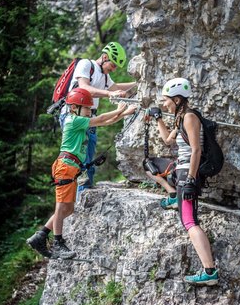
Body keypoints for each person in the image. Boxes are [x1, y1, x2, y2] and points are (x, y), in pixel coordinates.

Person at [27, 88, 137, 259]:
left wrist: (125, 113)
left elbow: (104, 122)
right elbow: (100, 118)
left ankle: (40, 236)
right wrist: (120, 109)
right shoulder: (73, 120)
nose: (89, 111)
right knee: (62, 206)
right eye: (86, 108)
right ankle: (58, 243)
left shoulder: (80, 119)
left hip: (72, 168)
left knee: (69, 209)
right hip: (65, 167)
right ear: (74, 108)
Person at [147, 78, 219, 286]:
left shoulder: (189, 117)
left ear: (177, 99)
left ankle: (209, 271)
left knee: (189, 222)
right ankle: (174, 198)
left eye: (166, 100)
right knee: (149, 165)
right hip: (181, 172)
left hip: (188, 174)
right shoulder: (180, 118)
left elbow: (196, 149)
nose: (164, 104)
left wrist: (190, 179)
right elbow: (168, 141)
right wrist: (158, 119)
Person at [59, 42, 137, 194]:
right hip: (74, 114)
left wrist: (138, 83)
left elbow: (118, 88)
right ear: (105, 56)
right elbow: (84, 88)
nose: (113, 69)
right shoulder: (86, 65)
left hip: (89, 116)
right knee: (78, 156)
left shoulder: (105, 77)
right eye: (113, 65)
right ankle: (77, 192)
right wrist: (109, 94)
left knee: (88, 155)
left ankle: (84, 189)